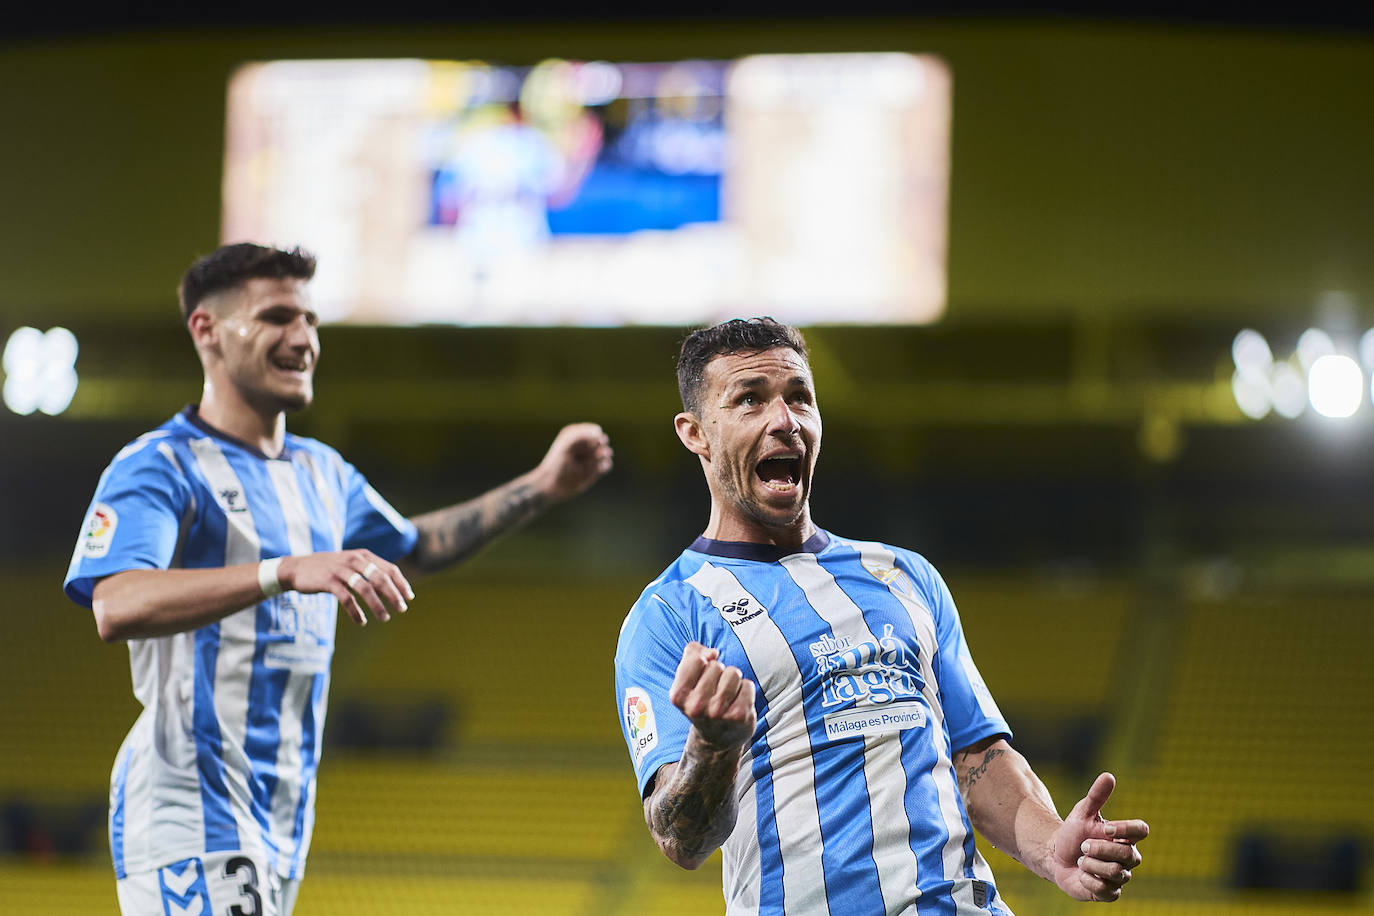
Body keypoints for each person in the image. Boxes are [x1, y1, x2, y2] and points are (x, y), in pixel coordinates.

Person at [63, 243, 613, 916]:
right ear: (205, 330)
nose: (303, 339)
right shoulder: (159, 466)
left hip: (283, 812)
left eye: (311, 321)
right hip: (190, 800)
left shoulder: (323, 473)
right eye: (276, 317)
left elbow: (420, 546)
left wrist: (542, 486)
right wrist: (284, 570)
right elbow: (115, 603)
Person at [614, 318, 1147, 914]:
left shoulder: (904, 575)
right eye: (749, 400)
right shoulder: (668, 615)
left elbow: (977, 757)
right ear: (696, 434)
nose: (784, 420)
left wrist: (1052, 846)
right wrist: (713, 746)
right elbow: (680, 840)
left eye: (799, 397)